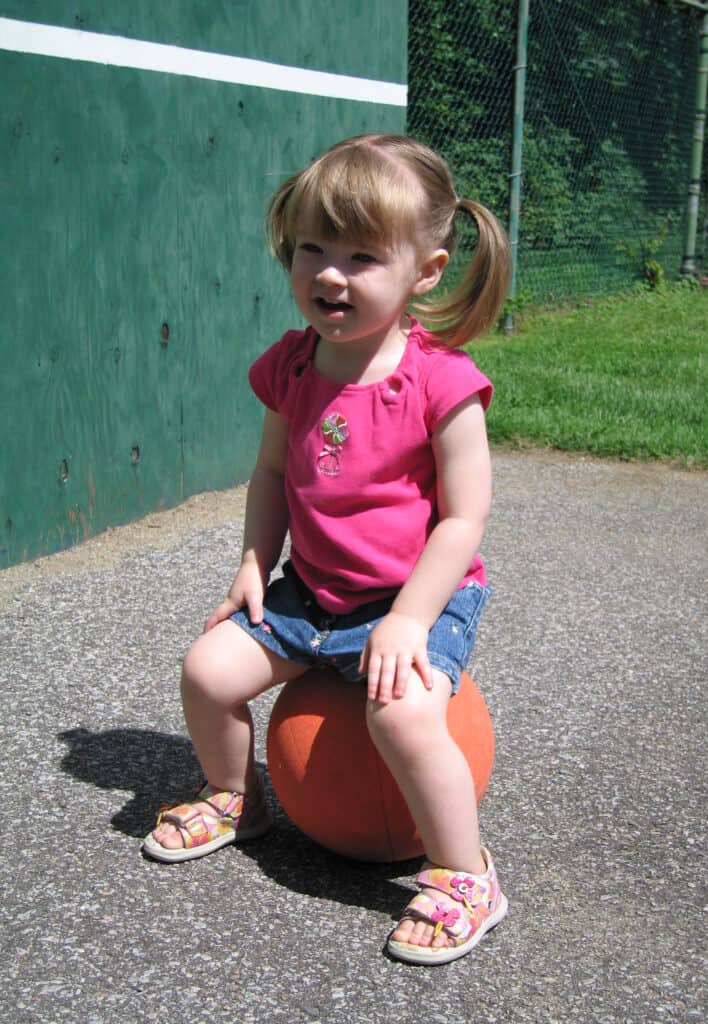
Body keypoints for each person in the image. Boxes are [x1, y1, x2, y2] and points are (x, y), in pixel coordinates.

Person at [142, 133, 511, 965]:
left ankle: (466, 873)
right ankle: (238, 798)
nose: (329, 273)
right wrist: (250, 563)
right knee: (206, 671)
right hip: (312, 591)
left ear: (426, 269)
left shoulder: (444, 382)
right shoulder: (292, 364)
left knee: (405, 717)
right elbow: (273, 471)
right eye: (312, 248)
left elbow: (463, 522)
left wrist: (411, 620)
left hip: (416, 595)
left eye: (361, 255)